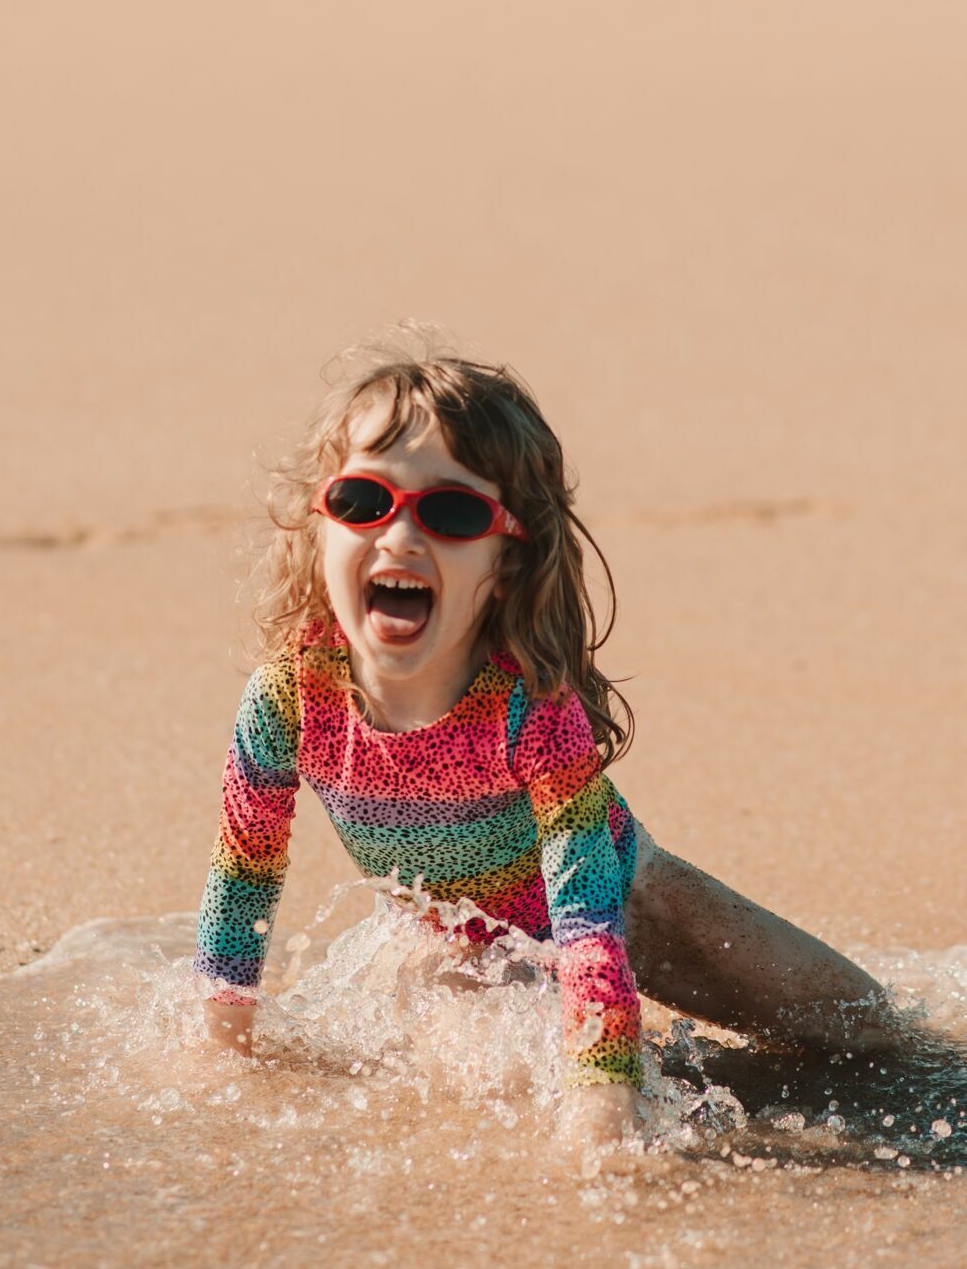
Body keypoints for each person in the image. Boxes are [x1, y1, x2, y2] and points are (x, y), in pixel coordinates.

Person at [193, 321, 904, 1160]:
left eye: (452, 511)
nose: (400, 535)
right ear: (320, 527)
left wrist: (602, 1102)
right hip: (453, 938)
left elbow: (590, 924)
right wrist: (219, 1040)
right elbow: (243, 875)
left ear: (509, 559)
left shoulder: (529, 710)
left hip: (633, 896)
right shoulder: (288, 701)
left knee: (863, 1030)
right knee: (490, 1084)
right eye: (362, 500)